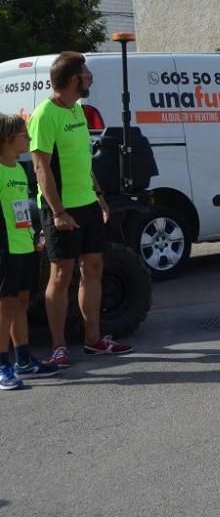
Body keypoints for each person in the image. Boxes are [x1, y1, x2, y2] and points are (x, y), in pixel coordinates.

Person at [28, 52, 132, 368]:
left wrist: (98, 195)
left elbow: (81, 160)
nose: (89, 77)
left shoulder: (77, 110)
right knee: (61, 275)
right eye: (86, 73)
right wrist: (58, 212)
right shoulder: (45, 115)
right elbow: (40, 167)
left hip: (86, 204)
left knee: (94, 268)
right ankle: (59, 348)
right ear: (74, 79)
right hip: (61, 209)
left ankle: (94, 340)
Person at [0, 115, 59, 390]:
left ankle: (23, 360)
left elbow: (21, 210)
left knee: (21, 302)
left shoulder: (19, 169)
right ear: (7, 139)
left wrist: (32, 236)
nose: (29, 139)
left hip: (24, 247)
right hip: (5, 250)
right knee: (5, 307)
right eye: (24, 135)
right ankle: (2, 366)